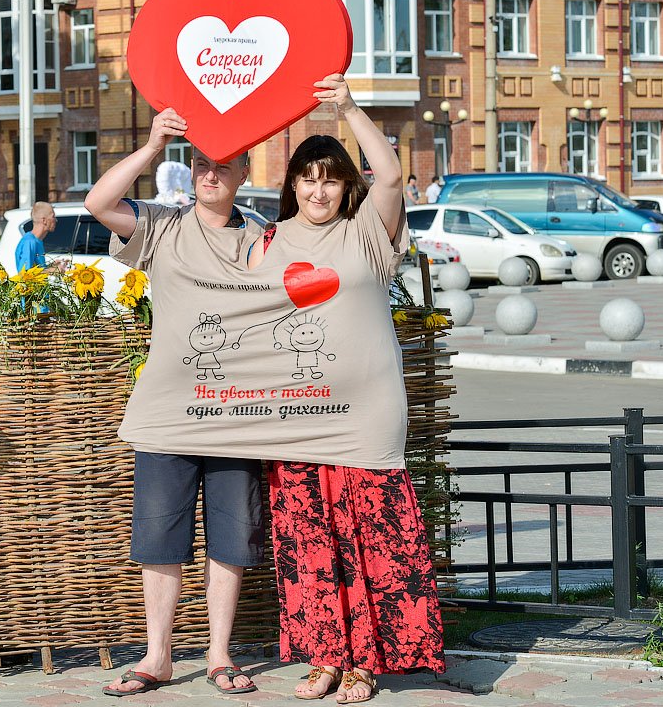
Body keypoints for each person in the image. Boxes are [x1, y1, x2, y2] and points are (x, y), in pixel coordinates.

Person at [247, 74, 444, 702]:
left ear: (344, 184)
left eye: (330, 178)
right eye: (307, 178)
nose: (318, 189)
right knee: (307, 538)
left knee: (370, 536)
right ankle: (324, 658)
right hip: (297, 414)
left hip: (366, 411)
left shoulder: (367, 231)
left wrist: (351, 109)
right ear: (292, 185)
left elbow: (390, 177)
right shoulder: (269, 242)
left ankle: (367, 664)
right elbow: (242, 319)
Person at [85, 110, 265, 697]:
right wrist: (155, 141)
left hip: (239, 412)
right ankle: (156, 656)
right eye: (200, 164)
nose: (209, 173)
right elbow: (97, 202)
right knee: (159, 538)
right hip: (167, 411)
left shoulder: (260, 238)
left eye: (221, 165)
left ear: (242, 170)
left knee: (231, 538)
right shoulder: (161, 225)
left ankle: (218, 655)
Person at [15, 202, 66, 272]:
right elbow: (25, 274)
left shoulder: (37, 241)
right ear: (44, 220)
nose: (56, 220)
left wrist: (52, 265)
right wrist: (53, 270)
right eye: (53, 216)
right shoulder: (29, 242)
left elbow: (36, 270)